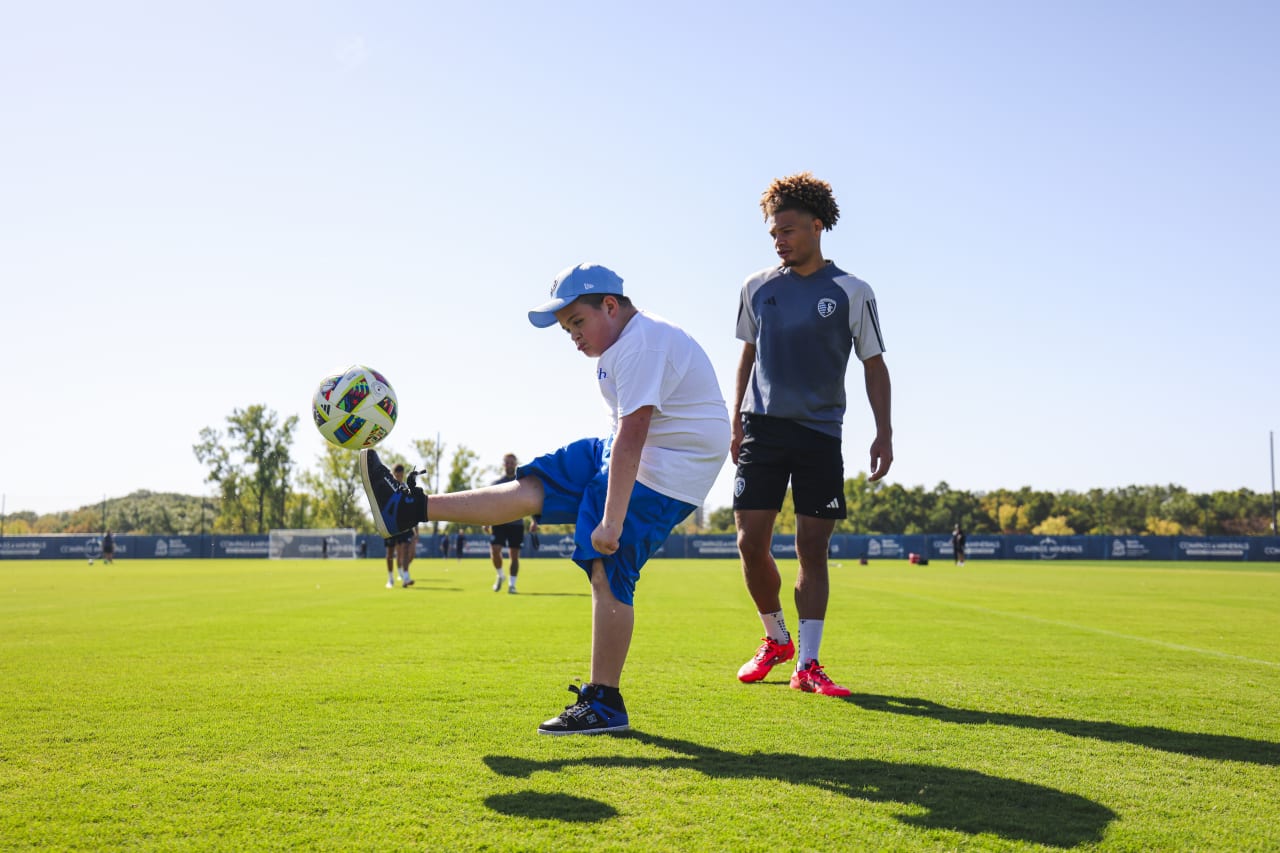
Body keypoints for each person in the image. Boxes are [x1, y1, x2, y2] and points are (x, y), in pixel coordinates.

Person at [359, 262, 729, 735]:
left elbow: (635, 433)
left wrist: (612, 521)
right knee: (536, 484)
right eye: (566, 329)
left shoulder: (643, 342)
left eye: (577, 322)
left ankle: (605, 701)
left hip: (667, 471)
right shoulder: (620, 347)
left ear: (610, 306)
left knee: (608, 564)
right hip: (626, 449)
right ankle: (408, 509)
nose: (573, 336)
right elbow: (626, 434)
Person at [732, 172, 893, 698]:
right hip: (762, 429)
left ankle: (808, 663)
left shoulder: (852, 291)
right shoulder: (757, 287)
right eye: (773, 233)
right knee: (749, 542)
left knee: (811, 551)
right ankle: (775, 638)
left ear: (817, 226)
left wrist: (884, 432)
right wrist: (736, 419)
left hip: (820, 434)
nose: (779, 241)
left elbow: (874, 365)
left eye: (788, 230)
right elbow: (747, 356)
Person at [486, 453, 540, 594]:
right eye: (507, 462)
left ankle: (512, 585)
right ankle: (500, 575)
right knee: (495, 550)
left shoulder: (521, 482)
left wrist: (534, 521)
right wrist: (486, 521)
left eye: (512, 462)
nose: (509, 465)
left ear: (515, 464)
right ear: (503, 464)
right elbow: (488, 504)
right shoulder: (496, 483)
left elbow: (530, 502)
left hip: (516, 524)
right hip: (498, 521)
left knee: (514, 555)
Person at [382, 464, 416, 589]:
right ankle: (390, 578)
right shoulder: (387, 486)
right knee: (390, 552)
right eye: (397, 475)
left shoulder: (406, 487)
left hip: (403, 524)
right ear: (393, 474)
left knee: (405, 549)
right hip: (390, 524)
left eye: (401, 475)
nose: (399, 477)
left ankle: (406, 576)